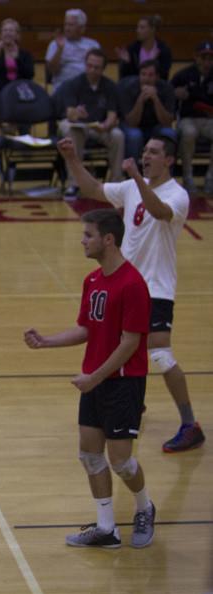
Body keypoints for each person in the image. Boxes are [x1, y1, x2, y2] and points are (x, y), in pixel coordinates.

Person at [58, 134, 205, 453]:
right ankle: (133, 406)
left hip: (156, 289)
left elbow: (159, 211)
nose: (146, 156)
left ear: (169, 160)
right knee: (123, 353)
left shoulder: (176, 195)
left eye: (154, 153)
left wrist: (137, 178)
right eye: (145, 152)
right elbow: (92, 189)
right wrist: (71, 158)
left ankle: (190, 424)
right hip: (124, 287)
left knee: (160, 354)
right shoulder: (130, 188)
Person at [24, 207, 155, 549]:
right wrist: (47, 341)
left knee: (122, 461)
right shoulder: (93, 280)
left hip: (122, 383)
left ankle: (144, 508)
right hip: (95, 380)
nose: (82, 240)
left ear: (108, 239)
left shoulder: (133, 285)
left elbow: (130, 343)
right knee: (90, 456)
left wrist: (94, 377)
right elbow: (86, 328)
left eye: (88, 235)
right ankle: (106, 528)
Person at [54, 49, 124, 200]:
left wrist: (106, 125)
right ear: (85, 65)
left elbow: (113, 115)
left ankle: (116, 183)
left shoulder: (110, 86)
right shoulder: (73, 84)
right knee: (71, 129)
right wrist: (77, 114)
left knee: (118, 135)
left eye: (96, 67)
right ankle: (74, 184)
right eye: (89, 65)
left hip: (99, 127)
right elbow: (69, 113)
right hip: (78, 125)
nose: (92, 69)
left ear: (103, 68)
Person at [170, 41, 213, 195]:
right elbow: (169, 94)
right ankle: (188, 177)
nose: (207, 62)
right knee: (188, 134)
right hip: (188, 119)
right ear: (196, 57)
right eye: (204, 58)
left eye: (210, 58)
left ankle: (210, 178)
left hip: (209, 120)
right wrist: (175, 94)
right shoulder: (183, 75)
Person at [120, 60, 176, 161]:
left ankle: (166, 172)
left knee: (169, 133)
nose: (146, 78)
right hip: (134, 126)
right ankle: (133, 172)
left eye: (150, 75)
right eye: (143, 74)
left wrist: (156, 99)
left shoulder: (167, 89)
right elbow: (131, 123)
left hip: (156, 126)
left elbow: (167, 122)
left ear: (157, 77)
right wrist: (140, 100)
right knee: (134, 135)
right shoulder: (128, 89)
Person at [45, 9, 99, 90]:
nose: (67, 28)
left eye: (71, 25)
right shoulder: (55, 44)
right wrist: (59, 50)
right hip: (63, 88)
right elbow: (52, 70)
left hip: (86, 88)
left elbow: (98, 71)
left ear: (81, 28)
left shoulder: (93, 45)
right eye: (65, 24)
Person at [0, 18, 34, 94]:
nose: (7, 33)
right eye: (5, 30)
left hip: (21, 92)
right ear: (0, 35)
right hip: (0, 93)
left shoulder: (25, 54)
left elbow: (29, 75)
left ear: (17, 35)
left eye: (11, 30)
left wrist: (17, 58)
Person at [116, 15, 172, 80]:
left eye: (142, 28)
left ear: (152, 29)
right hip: (135, 87)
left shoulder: (163, 50)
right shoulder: (132, 49)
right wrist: (126, 64)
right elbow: (125, 79)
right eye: (137, 27)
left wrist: (152, 62)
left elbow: (163, 77)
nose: (137, 30)